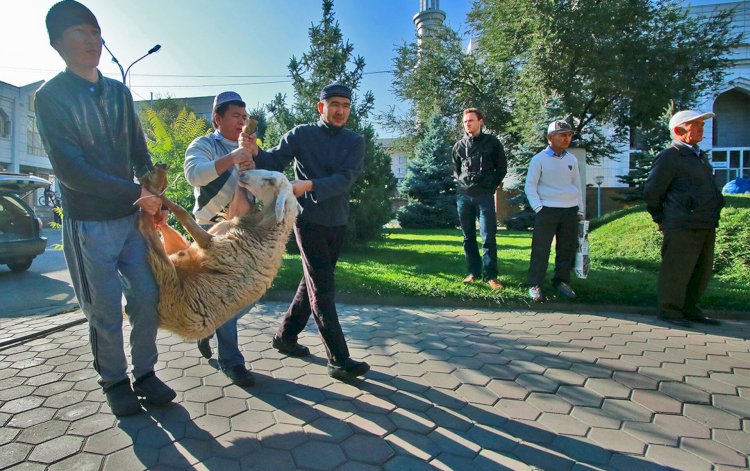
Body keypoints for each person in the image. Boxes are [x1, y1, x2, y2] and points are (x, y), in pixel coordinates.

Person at [34, 0, 175, 417]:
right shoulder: (50, 97)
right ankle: (114, 380)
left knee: (148, 297)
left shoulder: (119, 92)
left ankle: (146, 373)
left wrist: (155, 193)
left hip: (132, 221)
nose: (93, 38)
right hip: (88, 225)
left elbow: (139, 152)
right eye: (81, 31)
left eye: (96, 30)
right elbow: (70, 170)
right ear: (57, 42)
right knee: (105, 310)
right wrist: (138, 193)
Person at [242, 82, 370, 381]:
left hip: (337, 219)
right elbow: (273, 160)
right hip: (308, 220)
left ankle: (285, 336)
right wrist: (255, 150)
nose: (340, 110)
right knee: (323, 288)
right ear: (320, 106)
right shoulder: (302, 134)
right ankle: (339, 359)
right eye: (334, 104)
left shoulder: (355, 141)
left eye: (346, 105)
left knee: (311, 281)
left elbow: (345, 178)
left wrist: (308, 185)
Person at [182, 91, 256, 386]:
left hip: (240, 232)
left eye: (245, 116)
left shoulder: (251, 147)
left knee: (251, 291)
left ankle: (209, 326)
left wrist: (253, 161)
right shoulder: (204, 144)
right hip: (208, 233)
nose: (242, 121)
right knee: (227, 294)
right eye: (236, 116)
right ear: (217, 118)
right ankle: (231, 361)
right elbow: (194, 175)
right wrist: (233, 157)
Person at [644, 110, 723, 327]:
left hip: (705, 222)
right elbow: (653, 190)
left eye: (702, 124)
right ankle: (670, 311)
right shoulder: (670, 155)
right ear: (679, 130)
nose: (701, 128)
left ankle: (690, 308)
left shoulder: (699, 155)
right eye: (694, 125)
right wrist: (660, 217)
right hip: (681, 222)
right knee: (677, 269)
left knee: (701, 270)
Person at [524, 120, 584, 302]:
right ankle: (535, 284)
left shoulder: (571, 159)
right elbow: (530, 187)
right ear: (550, 138)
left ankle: (562, 281)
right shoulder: (539, 160)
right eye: (562, 135)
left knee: (567, 248)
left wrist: (579, 209)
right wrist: (539, 208)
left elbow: (577, 185)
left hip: (569, 211)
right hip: (547, 210)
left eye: (569, 135)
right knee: (541, 249)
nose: (567, 138)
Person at [452, 108, 507, 290]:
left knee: (488, 236)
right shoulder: (459, 146)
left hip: (484, 196)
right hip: (464, 196)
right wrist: (462, 185)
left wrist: (490, 186)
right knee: (468, 237)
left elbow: (501, 168)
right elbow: (456, 170)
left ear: (480, 121)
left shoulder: (493, 143)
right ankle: (473, 272)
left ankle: (491, 276)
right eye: (465, 121)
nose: (468, 124)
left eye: (471, 120)